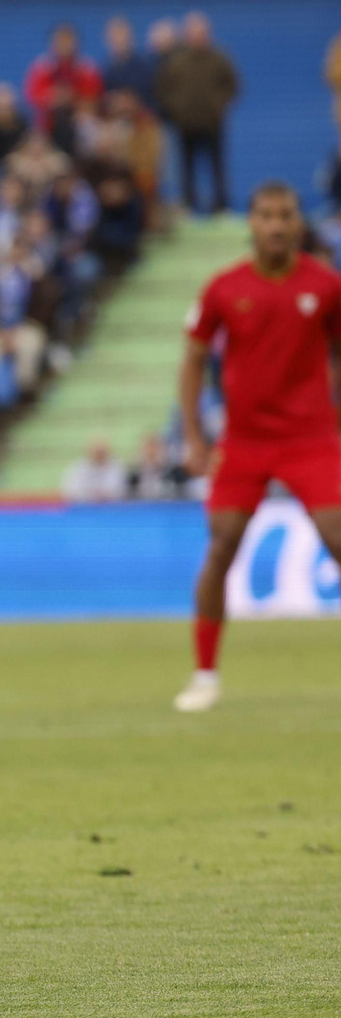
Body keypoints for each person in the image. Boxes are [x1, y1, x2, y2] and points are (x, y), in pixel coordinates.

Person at [173, 182, 341, 713]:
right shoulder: (224, 289)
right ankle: (205, 674)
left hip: (310, 436)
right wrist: (196, 436)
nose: (274, 224)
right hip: (244, 440)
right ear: (251, 222)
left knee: (339, 535)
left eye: (284, 215)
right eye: (265, 214)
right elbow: (194, 360)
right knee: (221, 546)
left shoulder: (326, 285)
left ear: (297, 223)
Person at [154, 12, 238, 215]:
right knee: (186, 168)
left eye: (201, 32)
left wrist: (219, 105)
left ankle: (221, 206)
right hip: (186, 124)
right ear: (186, 35)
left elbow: (233, 85)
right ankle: (189, 204)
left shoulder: (219, 58)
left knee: (217, 167)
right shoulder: (176, 61)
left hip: (212, 123)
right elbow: (163, 89)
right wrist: (177, 109)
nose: (197, 37)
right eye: (193, 33)